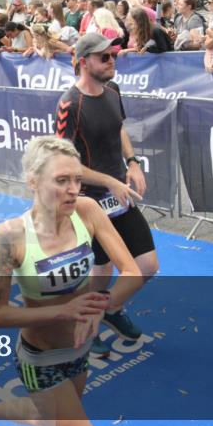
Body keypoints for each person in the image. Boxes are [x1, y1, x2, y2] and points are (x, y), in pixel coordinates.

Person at [0, 135, 143, 426]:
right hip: (41, 359)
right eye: (61, 181)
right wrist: (64, 311)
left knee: (50, 422)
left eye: (77, 180)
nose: (73, 190)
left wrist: (101, 307)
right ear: (33, 181)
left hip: (79, 351)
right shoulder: (11, 237)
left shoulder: (87, 210)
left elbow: (132, 271)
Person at [55, 33, 157, 357]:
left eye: (113, 55)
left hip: (119, 192)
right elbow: (65, 163)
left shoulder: (113, 90)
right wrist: (107, 181)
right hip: (88, 199)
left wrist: (132, 162)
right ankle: (85, 324)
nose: (112, 61)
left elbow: (119, 128)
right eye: (104, 57)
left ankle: (105, 312)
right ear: (84, 62)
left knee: (147, 265)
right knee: (102, 269)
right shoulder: (69, 103)